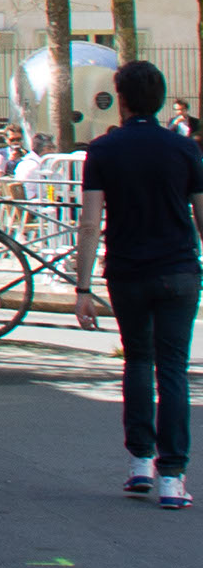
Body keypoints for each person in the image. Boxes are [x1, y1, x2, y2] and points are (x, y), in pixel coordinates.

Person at [71, 56, 203, 507]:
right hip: (179, 269)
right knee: (173, 370)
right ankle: (173, 476)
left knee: (137, 363)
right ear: (162, 99)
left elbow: (90, 223)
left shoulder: (103, 150)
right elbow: (202, 218)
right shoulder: (185, 149)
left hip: (126, 270)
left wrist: (82, 287)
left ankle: (139, 463)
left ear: (121, 101)